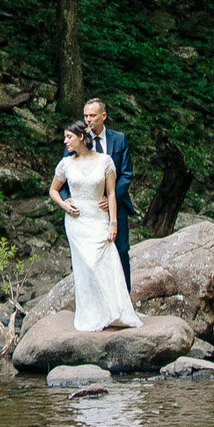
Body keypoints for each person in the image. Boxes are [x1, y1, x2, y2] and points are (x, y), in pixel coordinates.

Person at [49, 122, 145, 333]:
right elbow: (53, 190)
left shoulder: (105, 161)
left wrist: (113, 222)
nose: (65, 142)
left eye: (68, 137)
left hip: (99, 218)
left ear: (81, 137)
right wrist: (65, 204)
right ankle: (91, 314)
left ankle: (115, 311)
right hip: (76, 222)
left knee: (105, 264)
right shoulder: (65, 164)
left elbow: (111, 193)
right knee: (86, 267)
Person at [65, 97, 135, 287]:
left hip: (116, 204)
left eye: (92, 116)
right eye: (86, 116)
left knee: (120, 251)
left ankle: (125, 300)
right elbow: (64, 173)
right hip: (86, 209)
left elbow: (126, 173)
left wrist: (112, 197)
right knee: (86, 255)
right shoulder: (77, 139)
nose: (88, 120)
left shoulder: (119, 139)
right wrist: (66, 200)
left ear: (103, 116)